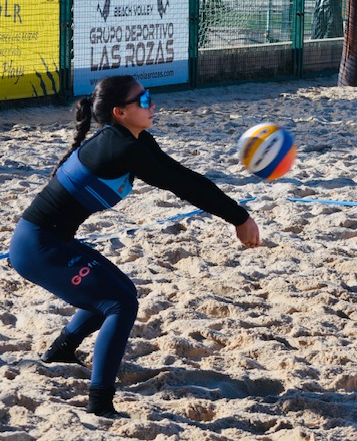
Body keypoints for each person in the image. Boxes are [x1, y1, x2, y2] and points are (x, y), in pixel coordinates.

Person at [9, 75, 260, 418]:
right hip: (35, 247)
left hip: (50, 240)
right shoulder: (121, 148)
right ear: (120, 112)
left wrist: (237, 216)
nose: (152, 104)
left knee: (121, 292)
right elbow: (184, 185)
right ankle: (100, 403)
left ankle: (60, 352)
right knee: (120, 303)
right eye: (143, 100)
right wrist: (238, 218)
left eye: (149, 96)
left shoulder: (132, 140)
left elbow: (181, 175)